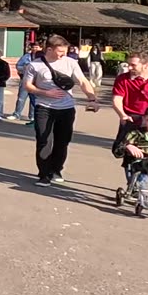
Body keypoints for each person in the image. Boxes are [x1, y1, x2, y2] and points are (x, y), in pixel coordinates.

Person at [22, 34, 98, 187]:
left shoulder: (70, 62)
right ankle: (44, 174)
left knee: (62, 142)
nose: (63, 55)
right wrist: (45, 92)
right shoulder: (35, 65)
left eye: (65, 51)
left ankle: (56, 170)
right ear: (49, 49)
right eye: (60, 51)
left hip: (66, 108)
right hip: (44, 108)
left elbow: (83, 81)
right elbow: (27, 86)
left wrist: (92, 98)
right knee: (44, 141)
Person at [110, 51, 148, 142]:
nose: (129, 68)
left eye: (133, 65)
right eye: (128, 64)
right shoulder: (122, 79)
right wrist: (122, 115)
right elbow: (117, 99)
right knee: (122, 149)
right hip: (132, 119)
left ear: (146, 65)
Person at [112, 104, 148, 195]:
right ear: (144, 119)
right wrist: (127, 147)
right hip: (140, 164)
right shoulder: (136, 134)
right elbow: (117, 152)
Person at [13, 42, 42, 124]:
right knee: (21, 98)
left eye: (37, 47)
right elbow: (18, 65)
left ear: (40, 48)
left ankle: (32, 116)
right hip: (25, 79)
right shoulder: (26, 56)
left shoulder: (42, 57)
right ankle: (17, 114)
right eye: (33, 47)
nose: (35, 49)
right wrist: (24, 69)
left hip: (36, 81)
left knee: (34, 99)